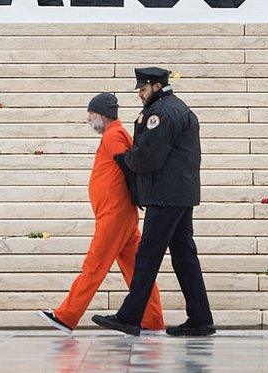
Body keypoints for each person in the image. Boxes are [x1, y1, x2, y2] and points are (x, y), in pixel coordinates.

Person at [92, 67, 215, 338]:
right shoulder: (176, 107)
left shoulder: (161, 113)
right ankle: (200, 318)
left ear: (156, 86)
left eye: (143, 88)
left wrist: (125, 160)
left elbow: (147, 156)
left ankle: (130, 316)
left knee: (147, 255)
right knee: (184, 257)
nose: (139, 93)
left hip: (166, 195)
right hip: (179, 194)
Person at [38, 93, 165, 335]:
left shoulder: (114, 135)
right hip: (119, 216)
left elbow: (128, 165)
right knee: (138, 271)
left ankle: (66, 316)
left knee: (94, 266)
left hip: (114, 217)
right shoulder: (114, 134)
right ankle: (152, 320)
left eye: (90, 115)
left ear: (101, 115)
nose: (88, 120)